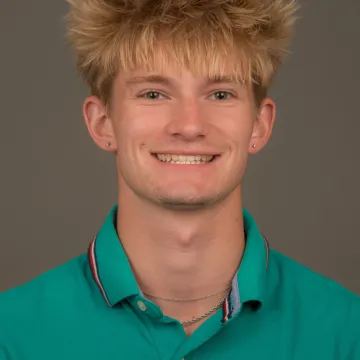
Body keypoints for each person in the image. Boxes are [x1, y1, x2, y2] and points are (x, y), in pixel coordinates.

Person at [1, 0, 359, 359]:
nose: (189, 126)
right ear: (102, 123)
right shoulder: (11, 334)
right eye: (153, 94)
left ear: (260, 124)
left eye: (220, 94)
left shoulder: (346, 333)